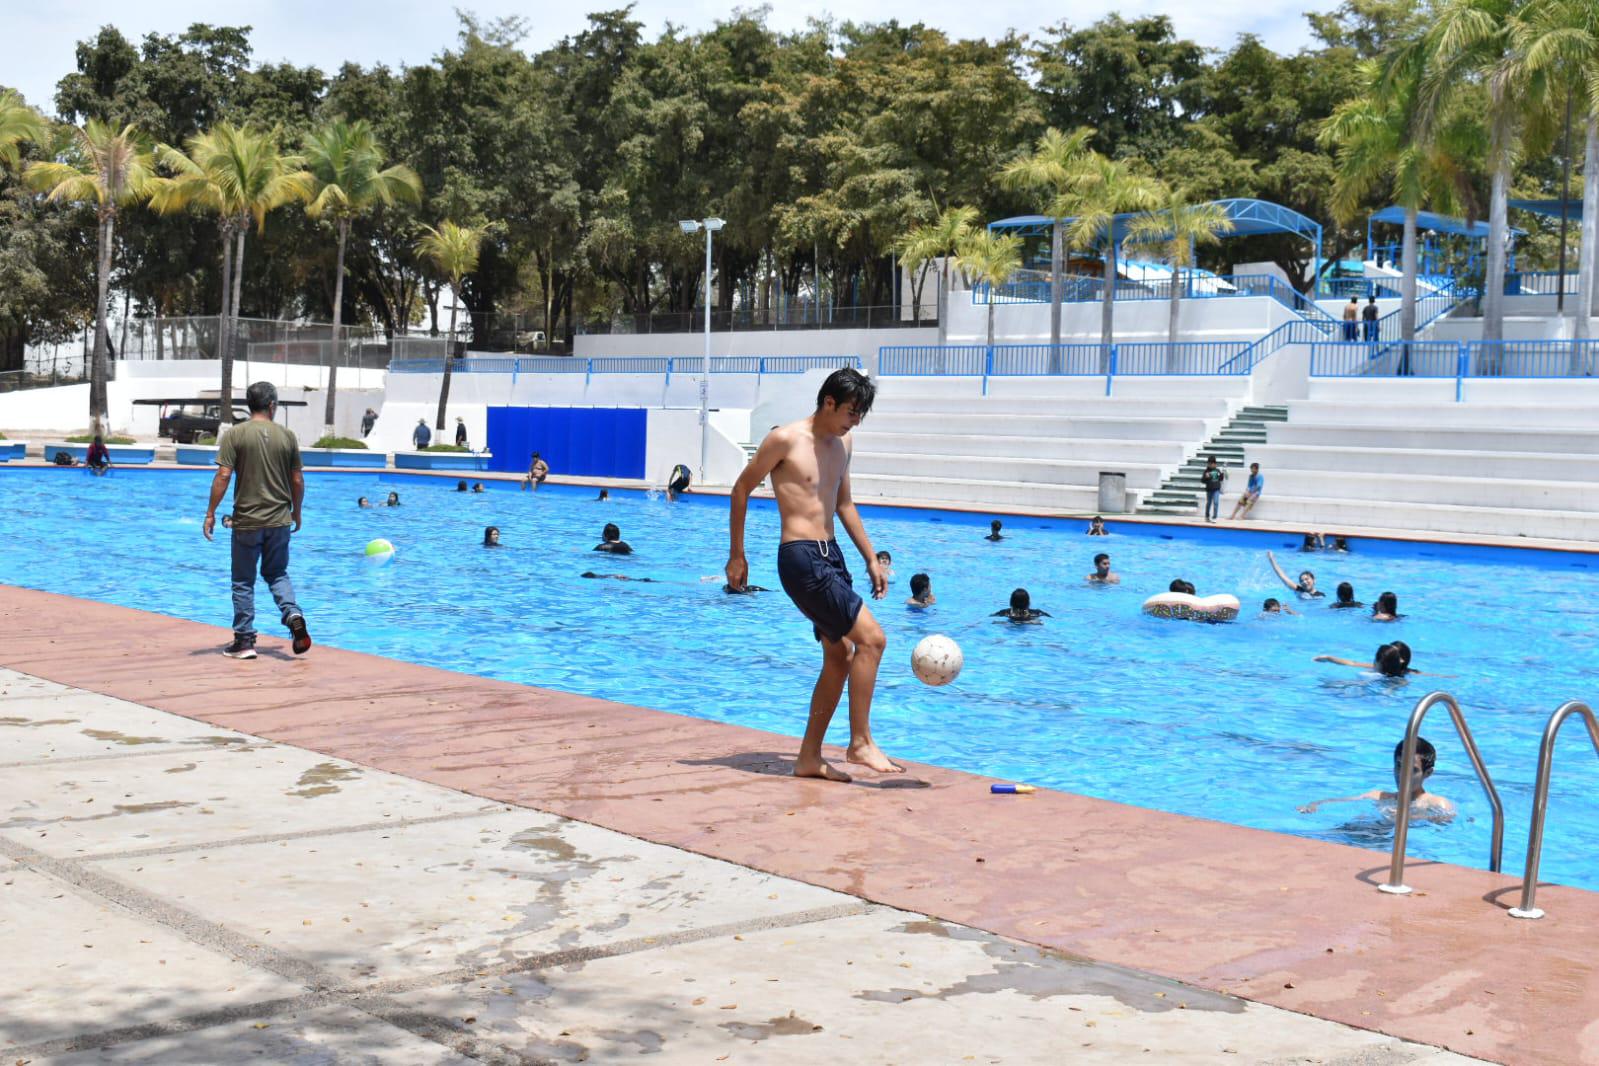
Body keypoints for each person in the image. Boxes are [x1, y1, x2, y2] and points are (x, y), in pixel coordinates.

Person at [725, 366, 897, 780]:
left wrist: (870, 558)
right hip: (800, 557)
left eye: (860, 415)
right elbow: (741, 489)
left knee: (840, 657)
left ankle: (808, 758)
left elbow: (844, 504)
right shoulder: (785, 439)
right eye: (851, 412)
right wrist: (737, 555)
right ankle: (859, 743)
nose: (855, 422)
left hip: (831, 555)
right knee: (873, 640)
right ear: (829, 402)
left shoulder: (844, 444)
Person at [202, 381, 311, 661]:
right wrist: (297, 511)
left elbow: (223, 475)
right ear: (272, 405)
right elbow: (297, 480)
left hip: (247, 522)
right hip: (279, 521)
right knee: (277, 573)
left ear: (250, 405)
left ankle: (244, 641)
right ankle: (293, 614)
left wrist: (211, 512)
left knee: (243, 581)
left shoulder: (236, 434)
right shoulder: (287, 436)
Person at [1298, 737, 1456, 822]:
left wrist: (1409, 817)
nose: (1402, 775)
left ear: (1428, 773)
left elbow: (1446, 819)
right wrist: (1315, 804)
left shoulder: (1436, 802)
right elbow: (1344, 801)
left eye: (1412, 770)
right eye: (1399, 766)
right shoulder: (1380, 796)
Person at [1315, 641, 1443, 678]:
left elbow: (1432, 675)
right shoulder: (1379, 665)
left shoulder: (1410, 673)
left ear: (1402, 660)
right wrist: (1330, 658)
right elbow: (1352, 663)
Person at [1199, 455, 1225, 522]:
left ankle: (1214, 517)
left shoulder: (1218, 471)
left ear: (1215, 464)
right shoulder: (1206, 471)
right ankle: (1207, 516)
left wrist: (1222, 474)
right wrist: (1206, 477)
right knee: (1209, 503)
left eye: (1212, 463)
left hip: (1216, 489)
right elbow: (1202, 480)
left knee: (1216, 502)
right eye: (1209, 463)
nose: (1211, 465)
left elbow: (1221, 479)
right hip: (1209, 490)